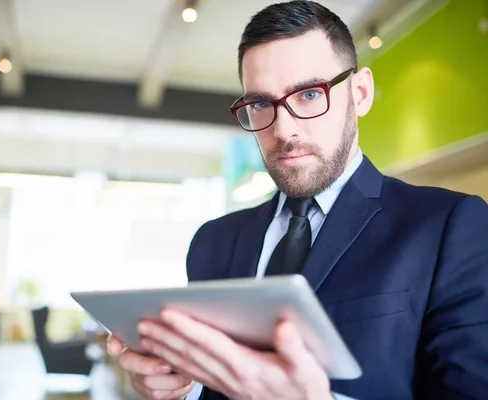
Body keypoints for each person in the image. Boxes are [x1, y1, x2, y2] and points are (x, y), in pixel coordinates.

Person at [107, 1, 488, 399]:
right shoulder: (212, 242)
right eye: (260, 104)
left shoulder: (450, 227)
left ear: (359, 93)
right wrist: (179, 389)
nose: (284, 130)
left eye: (309, 94)